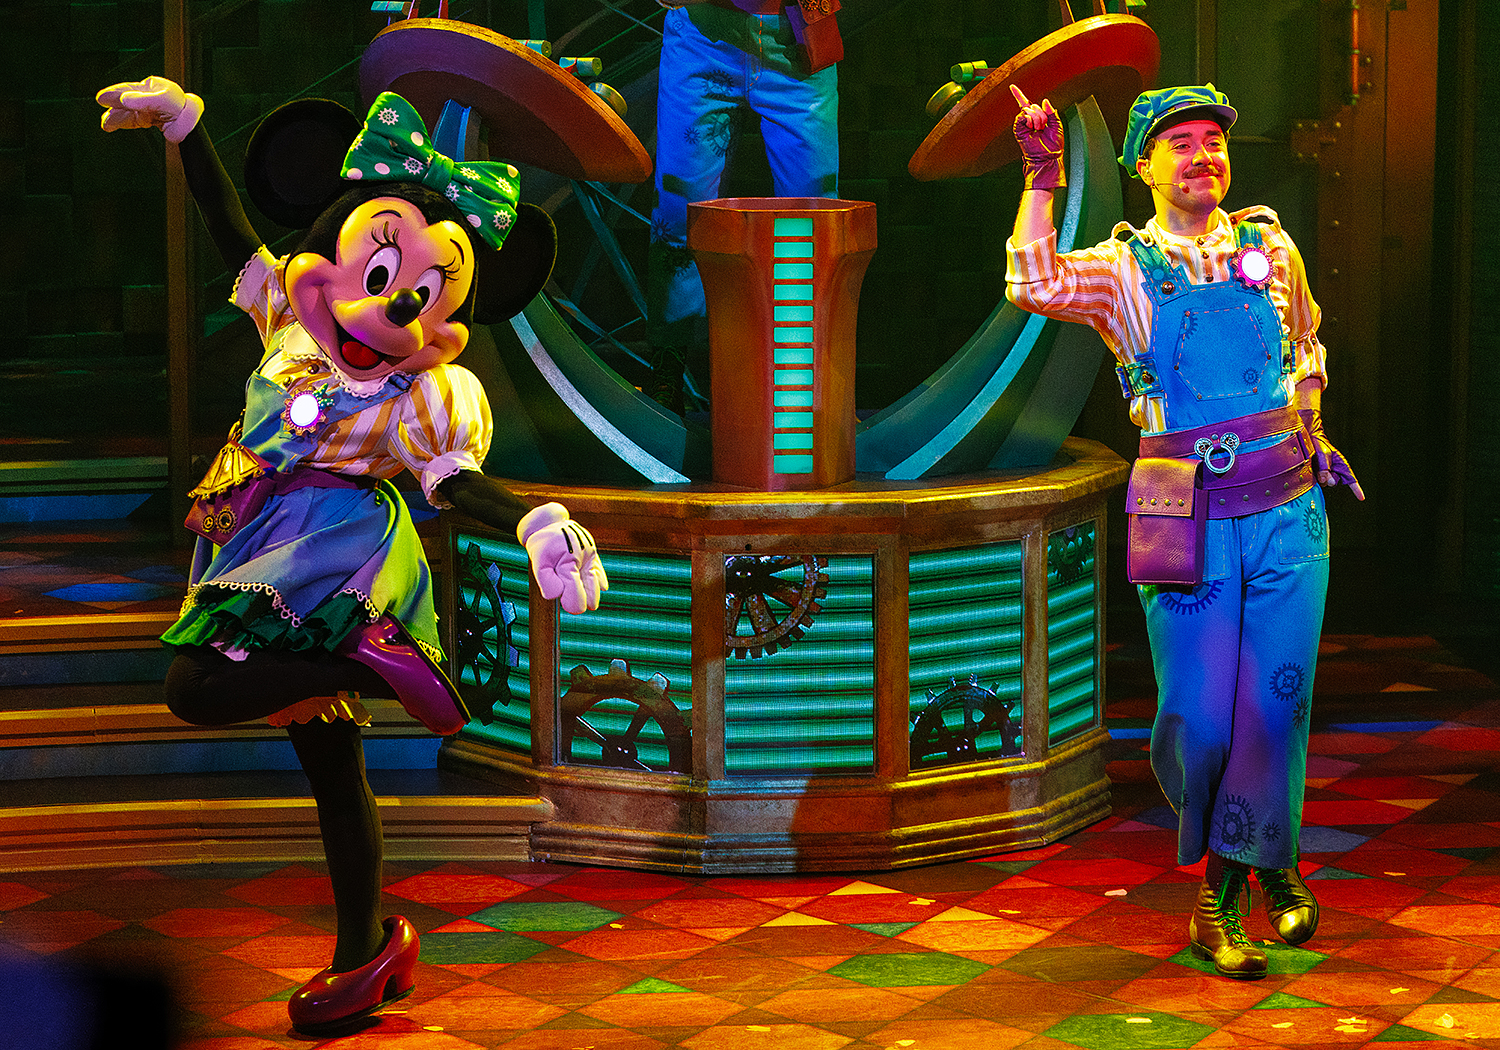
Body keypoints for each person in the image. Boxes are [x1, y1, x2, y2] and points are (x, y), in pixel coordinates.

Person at [97, 77, 607, 1033]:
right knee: (334, 767)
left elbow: (451, 483)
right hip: (258, 536)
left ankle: (369, 662)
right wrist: (188, 127)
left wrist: (532, 521)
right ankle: (370, 950)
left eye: (422, 295)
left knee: (193, 687)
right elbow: (226, 223)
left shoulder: (422, 397)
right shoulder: (287, 325)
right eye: (380, 276)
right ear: (331, 259)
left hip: (334, 550)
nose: (395, 310)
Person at [1005, 83, 1363, 978]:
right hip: (1185, 513)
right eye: (1182, 143)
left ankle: (1226, 892)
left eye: (1214, 140)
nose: (1205, 155)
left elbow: (1305, 344)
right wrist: (1042, 178)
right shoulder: (1124, 268)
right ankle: (1265, 860)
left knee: (1274, 703)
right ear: (1144, 166)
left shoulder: (1269, 246)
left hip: (1286, 506)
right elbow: (1032, 282)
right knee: (1198, 718)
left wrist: (1312, 423)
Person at [646, 0, 841, 412]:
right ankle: (668, 369)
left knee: (814, 220)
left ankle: (811, 380)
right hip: (703, 33)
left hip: (797, 37)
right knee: (679, 211)